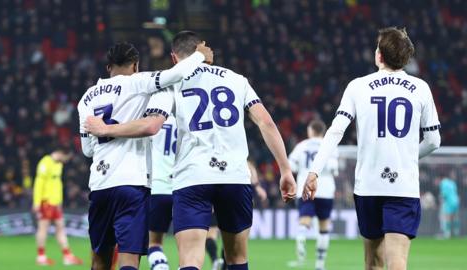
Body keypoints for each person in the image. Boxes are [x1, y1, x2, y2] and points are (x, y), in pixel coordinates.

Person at [84, 30, 297, 270]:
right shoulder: (237, 80)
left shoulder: (172, 84)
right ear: (205, 52)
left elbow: (152, 125)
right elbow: (266, 123)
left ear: (174, 58)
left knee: (190, 260)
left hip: (192, 178)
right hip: (235, 177)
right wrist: (285, 170)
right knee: (237, 258)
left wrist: (105, 129)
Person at [303, 27, 441, 270]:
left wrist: (314, 171)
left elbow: (336, 130)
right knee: (397, 261)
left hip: (368, 186)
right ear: (406, 57)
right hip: (403, 186)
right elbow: (433, 140)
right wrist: (408, 157)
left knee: (373, 262)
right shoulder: (421, 88)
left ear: (379, 56)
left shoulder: (358, 86)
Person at [78, 41, 213, 270]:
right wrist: (199, 55)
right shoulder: (139, 82)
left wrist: (105, 132)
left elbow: (87, 150)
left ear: (109, 67)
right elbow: (175, 73)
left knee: (99, 259)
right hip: (132, 184)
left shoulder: (87, 98)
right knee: (129, 259)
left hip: (100, 185)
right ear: (136, 65)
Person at [287, 120, 338, 270]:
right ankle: (320, 264)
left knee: (304, 219)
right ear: (322, 132)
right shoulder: (330, 146)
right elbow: (334, 168)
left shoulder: (301, 146)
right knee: (324, 226)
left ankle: (301, 237)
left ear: (310, 131)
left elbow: (292, 166)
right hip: (326, 189)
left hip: (306, 188)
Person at [206, 160, 268, 270]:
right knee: (233, 238)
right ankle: (223, 266)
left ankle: (215, 259)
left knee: (211, 234)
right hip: (233, 193)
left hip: (212, 193)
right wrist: (257, 186)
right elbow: (249, 166)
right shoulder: (238, 154)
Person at [32, 148, 83, 266]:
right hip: (46, 201)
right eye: (65, 158)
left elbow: (56, 185)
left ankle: (67, 256)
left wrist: (59, 202)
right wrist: (37, 202)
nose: (65, 161)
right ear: (60, 153)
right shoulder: (45, 162)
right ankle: (41, 256)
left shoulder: (58, 164)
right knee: (43, 228)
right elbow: (39, 183)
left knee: (60, 227)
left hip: (55, 203)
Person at [147, 115, 177, 270]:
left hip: (157, 187)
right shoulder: (188, 116)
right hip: (184, 188)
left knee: (154, 242)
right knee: (189, 250)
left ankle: (160, 267)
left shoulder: (153, 119)